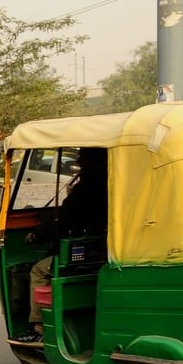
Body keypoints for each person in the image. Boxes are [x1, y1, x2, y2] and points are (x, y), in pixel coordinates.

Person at [14, 146, 109, 345]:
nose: (80, 161)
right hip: (103, 250)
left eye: (84, 156)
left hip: (80, 251)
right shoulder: (112, 182)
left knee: (38, 271)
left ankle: (39, 328)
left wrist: (38, 233)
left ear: (92, 159)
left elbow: (64, 221)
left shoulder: (86, 189)